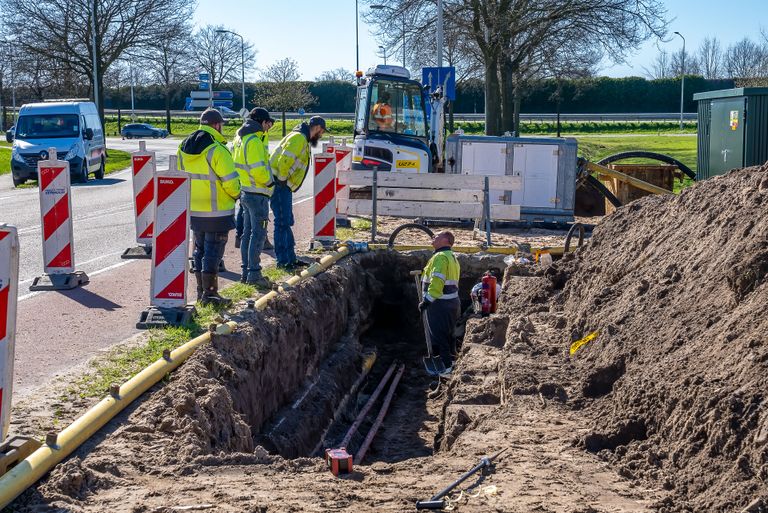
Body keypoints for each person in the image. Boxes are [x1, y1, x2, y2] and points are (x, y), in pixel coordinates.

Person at [177, 108, 240, 307]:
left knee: (199, 250)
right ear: (216, 125)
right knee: (214, 252)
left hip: (194, 210)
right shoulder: (218, 149)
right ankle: (211, 295)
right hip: (218, 211)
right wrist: (237, 194)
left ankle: (201, 293)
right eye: (221, 125)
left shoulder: (183, 147)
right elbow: (230, 182)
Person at [269, 115, 327, 270]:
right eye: (321, 132)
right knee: (282, 222)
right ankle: (283, 261)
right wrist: (282, 180)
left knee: (286, 221)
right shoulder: (299, 139)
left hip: (283, 185)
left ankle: (291, 258)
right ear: (316, 127)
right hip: (280, 185)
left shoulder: (301, 138)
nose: (321, 135)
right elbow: (285, 160)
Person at [233, 107, 275, 288]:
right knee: (258, 234)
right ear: (263, 122)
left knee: (247, 234)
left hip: (245, 191)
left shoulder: (240, 137)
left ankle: (246, 272)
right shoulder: (255, 141)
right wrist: (270, 183)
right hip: (258, 193)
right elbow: (259, 169)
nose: (268, 128)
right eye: (268, 124)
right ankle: (254, 274)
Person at [419, 230, 461, 375]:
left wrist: (427, 301)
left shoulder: (440, 257)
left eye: (437, 236)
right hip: (451, 302)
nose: (433, 237)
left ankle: (447, 368)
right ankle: (453, 362)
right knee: (448, 334)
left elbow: (437, 281)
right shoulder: (451, 257)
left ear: (446, 240)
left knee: (439, 335)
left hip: (439, 303)